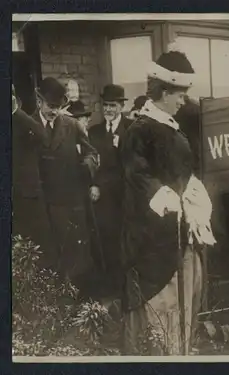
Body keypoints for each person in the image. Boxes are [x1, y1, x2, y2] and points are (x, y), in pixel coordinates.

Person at [120, 43, 215, 355]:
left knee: (185, 296)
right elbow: (137, 174)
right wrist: (165, 196)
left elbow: (184, 172)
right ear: (162, 92)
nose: (182, 100)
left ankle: (179, 353)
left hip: (178, 230)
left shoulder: (173, 129)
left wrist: (192, 194)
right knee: (163, 300)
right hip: (153, 235)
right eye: (178, 94)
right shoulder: (141, 129)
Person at [31, 77, 99, 295]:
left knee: (73, 259)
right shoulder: (26, 127)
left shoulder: (72, 126)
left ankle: (74, 304)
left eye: (58, 107)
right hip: (40, 205)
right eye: (51, 106)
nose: (54, 112)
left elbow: (92, 153)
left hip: (69, 203)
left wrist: (85, 167)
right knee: (46, 259)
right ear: (39, 101)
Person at [87, 84, 133, 297]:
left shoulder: (131, 129)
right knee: (106, 244)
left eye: (113, 105)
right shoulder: (93, 132)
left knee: (124, 245)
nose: (109, 110)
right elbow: (90, 163)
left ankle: (126, 290)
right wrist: (93, 183)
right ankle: (110, 292)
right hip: (103, 201)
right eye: (106, 105)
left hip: (124, 199)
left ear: (122, 106)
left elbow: (131, 166)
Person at [12, 84, 54, 267]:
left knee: (37, 247)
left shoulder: (22, 121)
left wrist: (15, 111)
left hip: (27, 195)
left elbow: (42, 135)